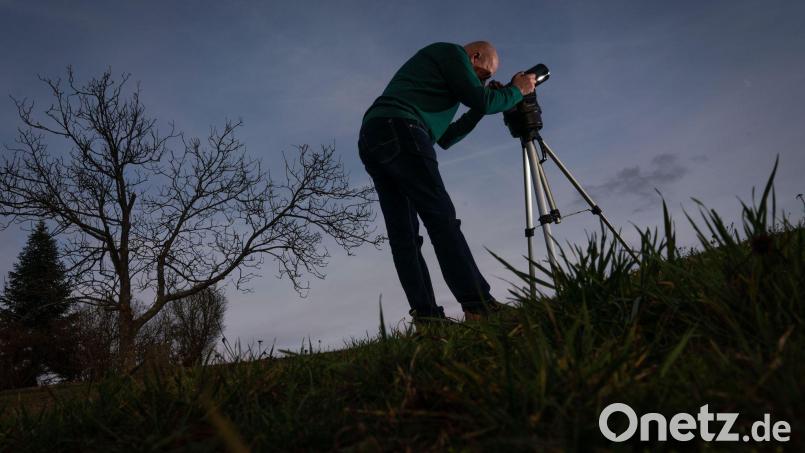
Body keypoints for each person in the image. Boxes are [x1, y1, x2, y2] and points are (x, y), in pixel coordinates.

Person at [358, 41, 537, 324]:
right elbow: (483, 100)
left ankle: (428, 320)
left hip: (376, 136)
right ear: (474, 56)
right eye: (484, 74)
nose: (483, 81)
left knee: (404, 236)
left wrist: (481, 107)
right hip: (401, 127)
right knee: (441, 218)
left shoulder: (442, 87)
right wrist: (517, 90)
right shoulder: (451, 53)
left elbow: (447, 137)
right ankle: (478, 306)